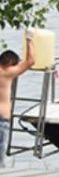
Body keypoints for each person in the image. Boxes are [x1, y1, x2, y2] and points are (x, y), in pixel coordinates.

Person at [0, 36, 36, 167]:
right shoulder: (7, 72)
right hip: (2, 118)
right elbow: (31, 61)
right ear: (10, 63)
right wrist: (29, 41)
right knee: (0, 156)